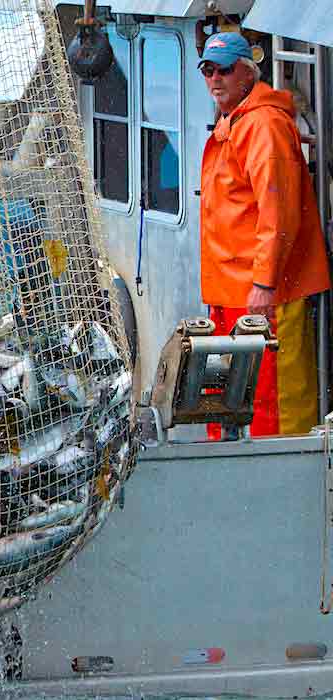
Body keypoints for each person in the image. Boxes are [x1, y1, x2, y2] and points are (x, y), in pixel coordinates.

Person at [198, 32, 331, 437]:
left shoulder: (263, 126)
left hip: (262, 296)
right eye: (207, 70)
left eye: (225, 70)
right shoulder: (236, 119)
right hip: (230, 294)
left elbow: (277, 213)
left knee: (272, 411)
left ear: (247, 74)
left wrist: (263, 284)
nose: (215, 79)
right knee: (231, 402)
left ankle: (283, 491)